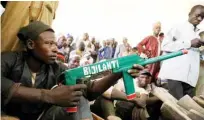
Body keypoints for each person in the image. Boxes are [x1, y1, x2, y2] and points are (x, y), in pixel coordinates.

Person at [1, 21, 143, 120]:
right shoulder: (10, 59)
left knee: (77, 95)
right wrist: (48, 95)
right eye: (49, 43)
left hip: (41, 117)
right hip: (7, 116)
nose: (55, 48)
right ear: (31, 44)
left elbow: (89, 90)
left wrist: (118, 73)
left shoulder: (57, 68)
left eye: (55, 44)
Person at [158, 5, 204, 99]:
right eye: (197, 15)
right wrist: (189, 43)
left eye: (202, 17)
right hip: (176, 76)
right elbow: (165, 46)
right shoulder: (177, 27)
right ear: (189, 14)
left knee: (188, 109)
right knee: (175, 108)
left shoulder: (199, 34)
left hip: (191, 79)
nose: (199, 19)